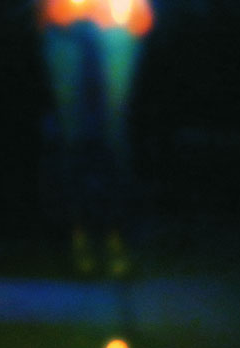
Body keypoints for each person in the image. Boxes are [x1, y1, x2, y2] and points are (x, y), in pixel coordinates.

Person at [36, 0, 154, 278]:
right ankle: (83, 235)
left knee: (113, 136)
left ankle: (113, 234)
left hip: (117, 20)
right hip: (65, 21)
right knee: (73, 137)